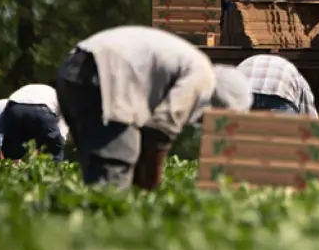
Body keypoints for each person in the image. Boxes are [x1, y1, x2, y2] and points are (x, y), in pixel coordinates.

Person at [55, 26, 253, 191]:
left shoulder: (187, 63)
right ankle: (108, 229)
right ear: (221, 103)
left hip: (74, 68)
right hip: (103, 73)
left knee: (98, 166)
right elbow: (159, 131)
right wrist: (152, 188)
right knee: (116, 169)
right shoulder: (204, 77)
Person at [0, 83, 69, 162]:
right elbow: (62, 128)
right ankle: (55, 170)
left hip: (14, 108)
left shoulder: (35, 89)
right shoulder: (59, 97)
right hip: (41, 110)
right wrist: (60, 142)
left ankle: (13, 167)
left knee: (13, 149)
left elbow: (2, 123)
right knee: (55, 149)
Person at [237, 54, 316, 115]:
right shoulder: (298, 78)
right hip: (278, 91)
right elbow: (309, 116)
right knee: (283, 133)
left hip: (246, 89)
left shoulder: (246, 63)